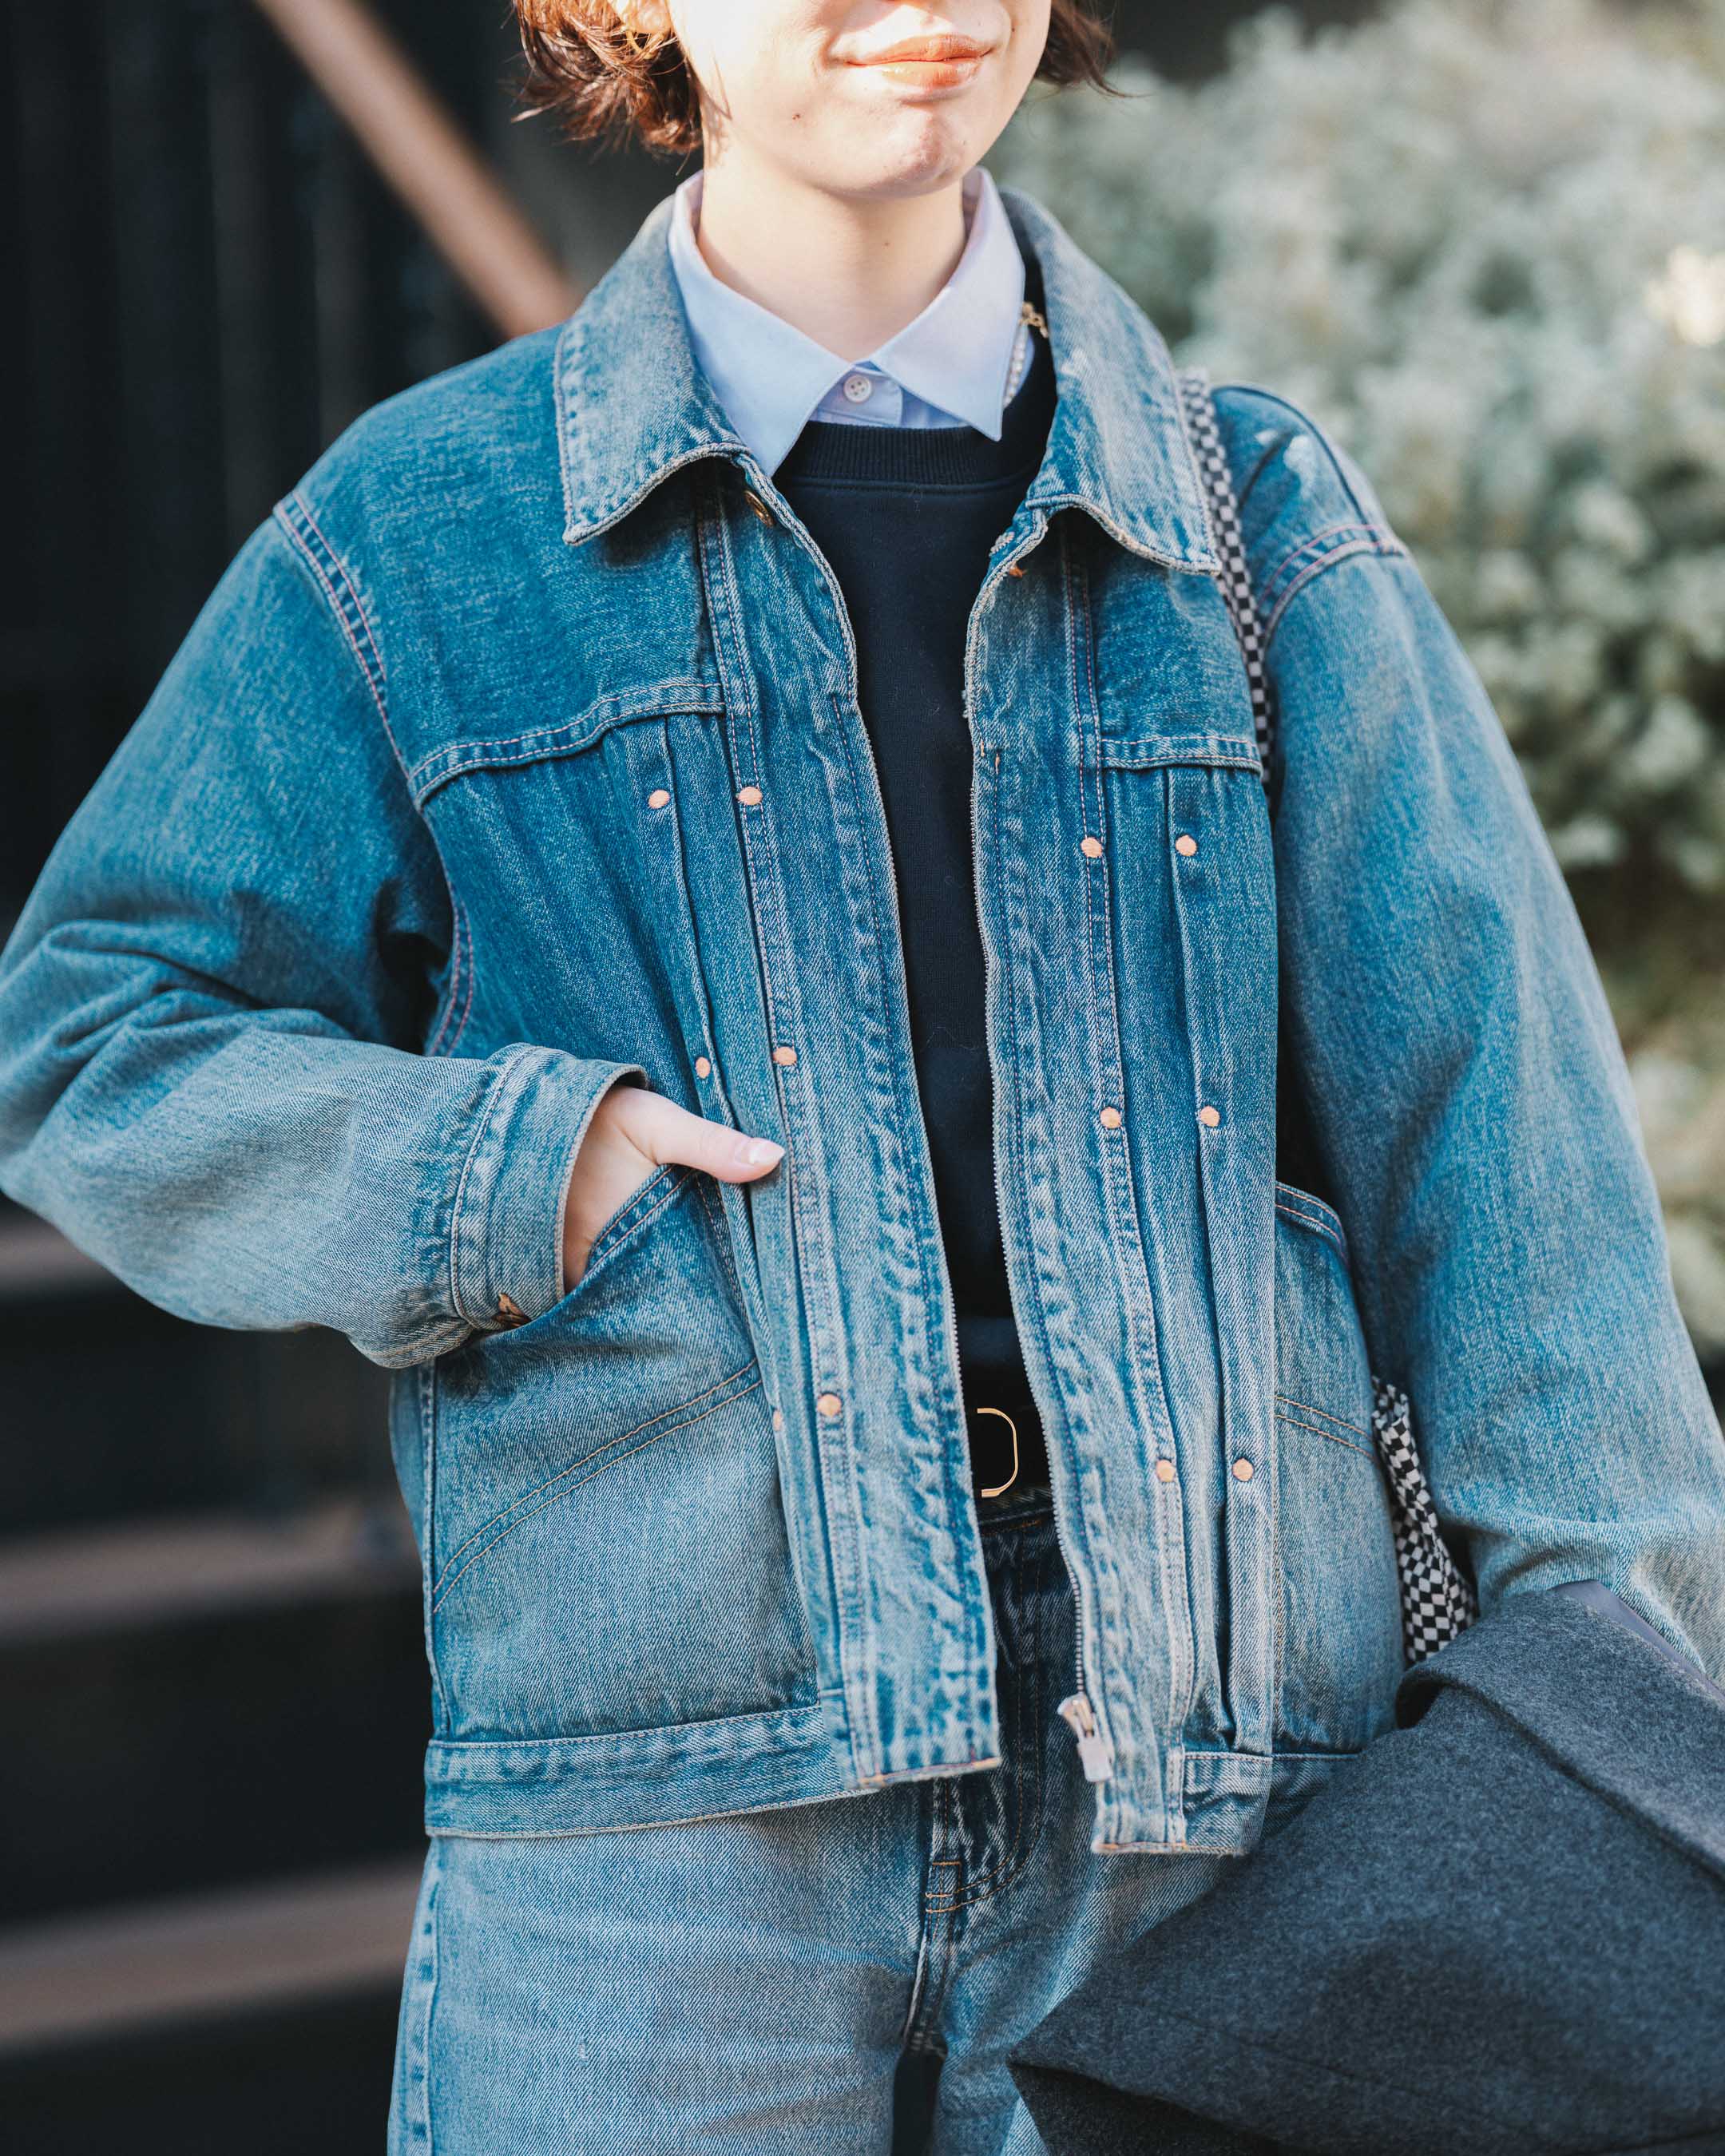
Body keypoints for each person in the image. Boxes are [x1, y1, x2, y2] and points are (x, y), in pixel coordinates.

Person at [1, 2, 1720, 2149]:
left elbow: (1516, 1202)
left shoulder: (1259, 525)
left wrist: (1620, 1786)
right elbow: (95, 1034)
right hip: (661, 1819)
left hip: (1215, 1812)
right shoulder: (423, 541)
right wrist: (522, 1167)